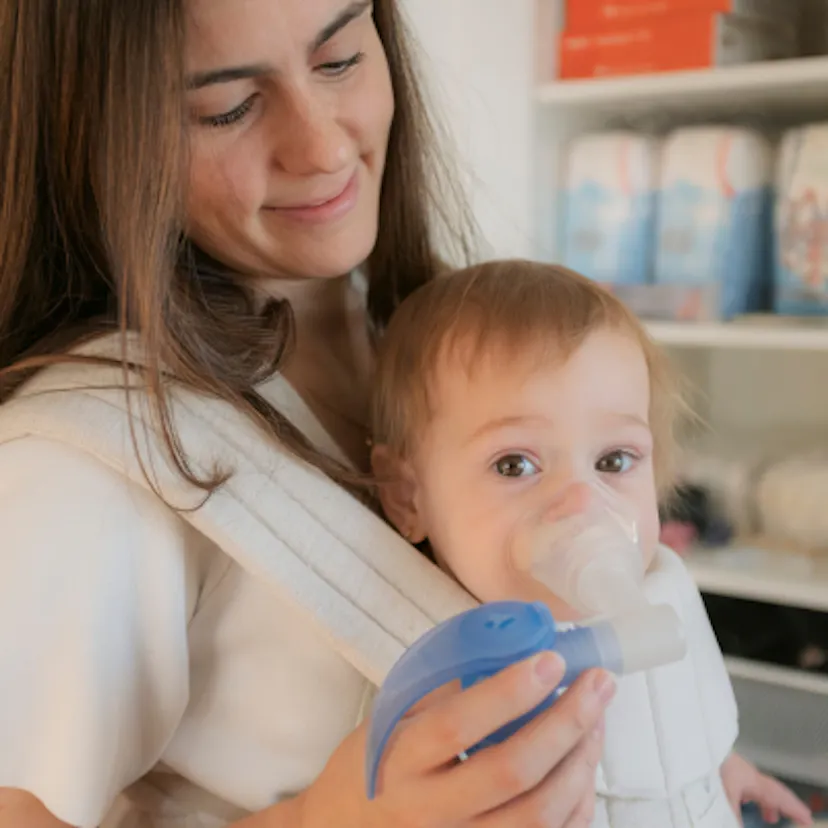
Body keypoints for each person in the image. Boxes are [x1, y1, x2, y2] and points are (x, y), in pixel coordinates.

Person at [0, 2, 617, 827]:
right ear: (92, 136)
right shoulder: (83, 470)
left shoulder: (436, 344)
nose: (325, 146)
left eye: (339, 62)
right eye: (227, 108)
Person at [370, 260, 814, 828]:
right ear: (409, 498)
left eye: (613, 460)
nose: (582, 504)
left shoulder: (659, 586)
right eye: (514, 464)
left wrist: (719, 766)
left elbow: (671, 714)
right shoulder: (434, 668)